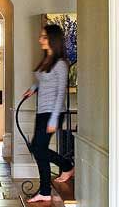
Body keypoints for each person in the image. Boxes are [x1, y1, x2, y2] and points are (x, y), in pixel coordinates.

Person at [23, 24, 75, 203]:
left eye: (44, 37)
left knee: (38, 148)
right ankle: (49, 185)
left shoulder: (60, 64)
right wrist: (32, 88)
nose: (40, 40)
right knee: (38, 149)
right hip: (42, 111)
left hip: (52, 112)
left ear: (53, 39)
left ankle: (64, 169)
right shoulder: (48, 59)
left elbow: (61, 92)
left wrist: (54, 118)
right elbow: (43, 81)